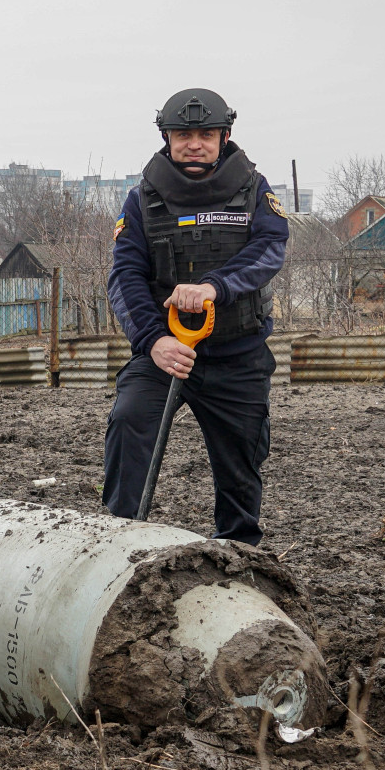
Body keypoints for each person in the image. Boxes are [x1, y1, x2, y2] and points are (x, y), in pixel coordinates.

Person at [102, 88, 288, 544]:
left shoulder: (254, 190)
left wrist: (214, 287)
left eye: (206, 134)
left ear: (224, 136)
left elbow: (270, 249)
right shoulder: (142, 200)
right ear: (167, 138)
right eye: (183, 135)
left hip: (237, 356)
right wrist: (154, 341)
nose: (194, 144)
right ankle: (118, 538)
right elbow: (125, 277)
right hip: (165, 353)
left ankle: (238, 550)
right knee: (129, 420)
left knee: (241, 459)